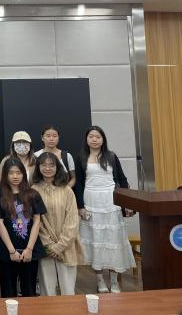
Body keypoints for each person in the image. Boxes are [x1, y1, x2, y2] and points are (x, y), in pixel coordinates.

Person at [74, 126, 136, 293]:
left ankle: (114, 281)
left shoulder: (111, 156)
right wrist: (80, 206)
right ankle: (100, 280)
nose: (94, 139)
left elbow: (122, 180)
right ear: (86, 139)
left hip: (111, 201)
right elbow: (78, 184)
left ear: (103, 140)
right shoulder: (81, 157)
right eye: (91, 136)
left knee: (113, 240)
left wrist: (127, 203)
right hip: (91, 201)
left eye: (98, 137)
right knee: (96, 241)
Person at [0, 158, 46, 298]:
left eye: (18, 172)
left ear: (24, 174)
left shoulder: (33, 194)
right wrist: (11, 251)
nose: (15, 176)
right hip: (7, 251)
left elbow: (37, 222)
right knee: (8, 292)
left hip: (29, 251)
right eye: (11, 173)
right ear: (5, 175)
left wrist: (29, 249)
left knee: (29, 291)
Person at [32, 152, 83, 296]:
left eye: (51, 165)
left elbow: (72, 221)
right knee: (47, 290)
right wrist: (49, 245)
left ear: (57, 167)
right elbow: (36, 221)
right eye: (44, 165)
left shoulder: (67, 190)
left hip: (66, 246)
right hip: (45, 247)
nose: (48, 168)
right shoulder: (34, 190)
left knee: (68, 290)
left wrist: (60, 246)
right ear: (38, 167)